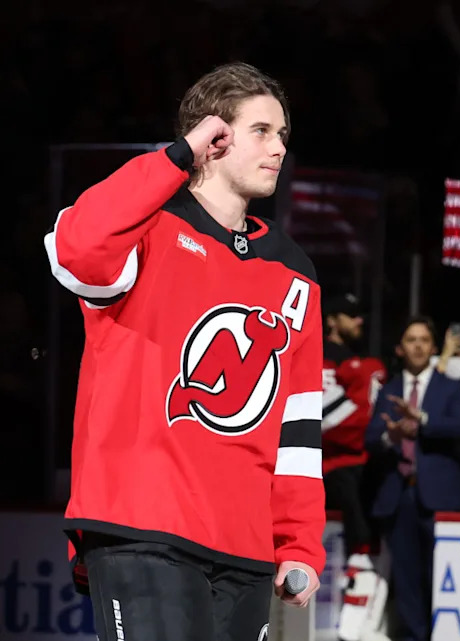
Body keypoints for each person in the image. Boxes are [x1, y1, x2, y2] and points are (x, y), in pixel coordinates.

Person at [43, 62, 326, 641]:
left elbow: (298, 424)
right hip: (142, 527)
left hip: (244, 547)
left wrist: (297, 543)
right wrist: (178, 157)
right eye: (262, 131)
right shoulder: (144, 227)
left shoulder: (295, 270)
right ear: (214, 135)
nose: (279, 148)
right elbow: (76, 246)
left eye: (283, 136)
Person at [365, 317, 460, 641]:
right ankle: (414, 636)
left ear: (434, 348)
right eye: (411, 339)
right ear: (400, 348)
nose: (417, 346)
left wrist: (421, 420)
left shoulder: (450, 387)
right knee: (407, 577)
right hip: (400, 496)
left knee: (439, 574)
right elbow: (370, 438)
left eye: (424, 340)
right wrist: (391, 436)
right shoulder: (389, 389)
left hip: (438, 497)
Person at [320, 293, 388, 641]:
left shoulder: (361, 364)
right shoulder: (319, 357)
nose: (359, 321)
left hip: (361, 467)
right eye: (350, 315)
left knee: (371, 541)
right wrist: (363, 409)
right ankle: (351, 620)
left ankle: (364, 616)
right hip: (329, 468)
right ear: (332, 320)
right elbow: (323, 420)